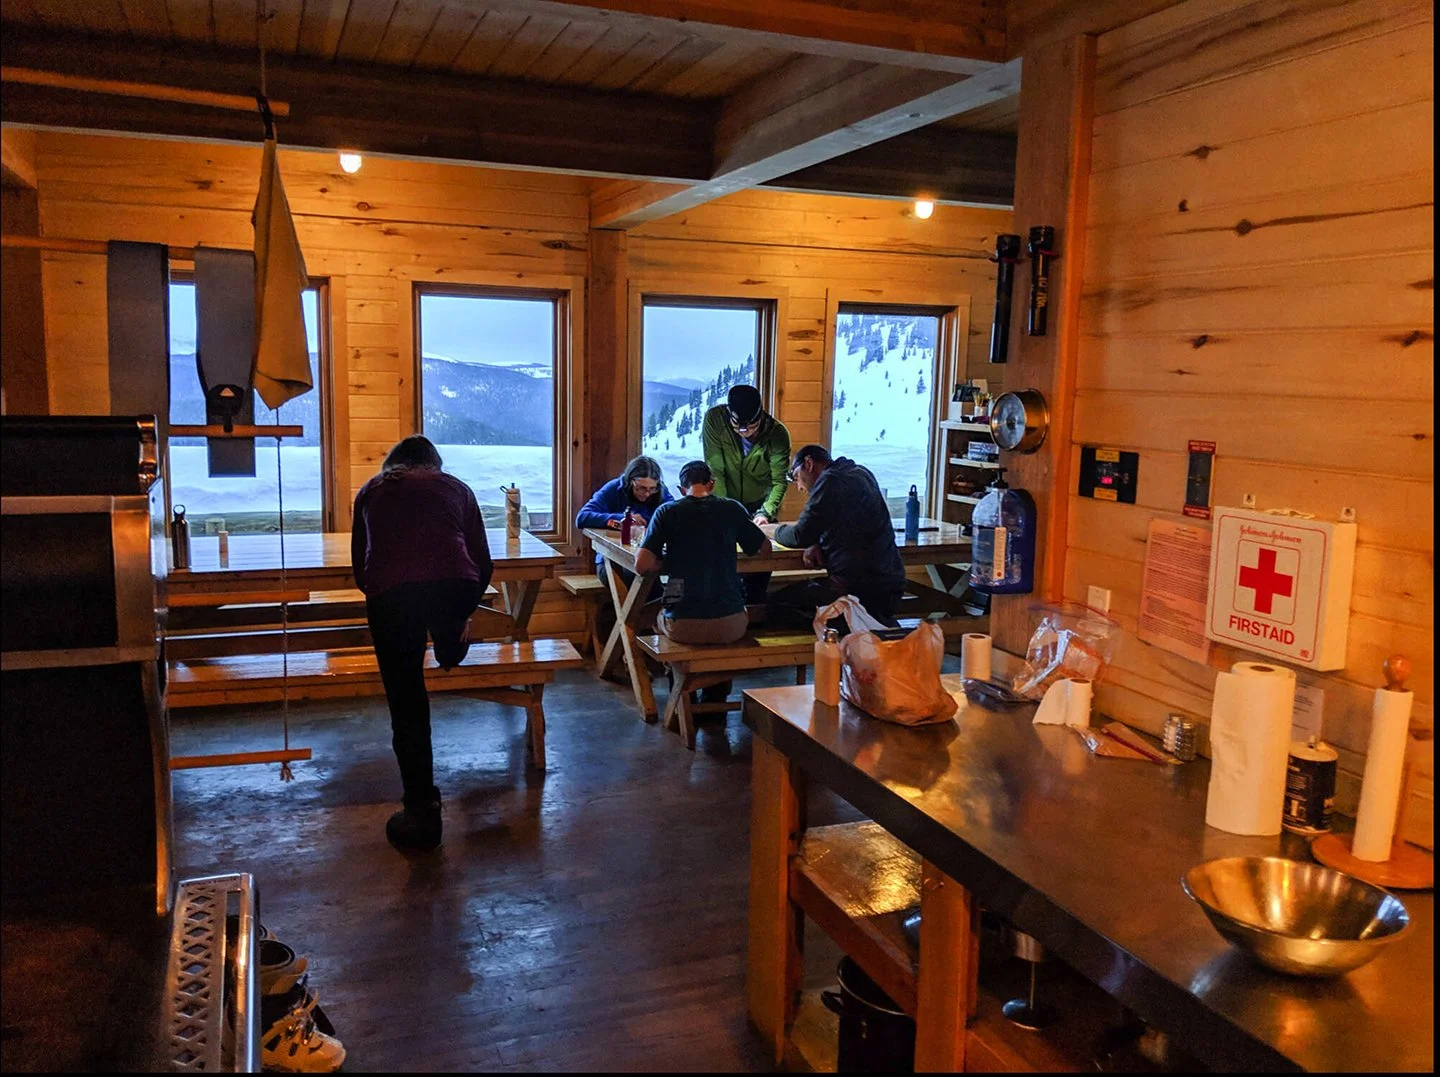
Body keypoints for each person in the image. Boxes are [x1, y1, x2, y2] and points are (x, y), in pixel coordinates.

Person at [351, 435, 493, 852]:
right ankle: (449, 644)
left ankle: (422, 814)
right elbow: (482, 561)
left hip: (392, 596)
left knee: (407, 702)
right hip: (455, 585)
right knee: (448, 626)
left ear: (393, 464)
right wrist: (464, 611)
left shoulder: (372, 490)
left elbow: (362, 570)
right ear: (435, 464)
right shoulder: (457, 488)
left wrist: (387, 591)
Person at [635, 460, 770, 646]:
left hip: (682, 625)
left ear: (681, 489)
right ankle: (715, 674)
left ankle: (675, 671)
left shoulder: (667, 512)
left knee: (655, 616)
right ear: (712, 484)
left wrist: (671, 562)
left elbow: (642, 565)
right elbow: (765, 549)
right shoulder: (732, 509)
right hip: (733, 625)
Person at [771, 444, 907, 628]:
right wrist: (818, 541)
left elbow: (799, 535)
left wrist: (773, 530)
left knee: (775, 605)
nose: (800, 487)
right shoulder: (860, 473)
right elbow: (846, 525)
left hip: (856, 593)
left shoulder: (830, 482)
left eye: (796, 477)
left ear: (809, 464)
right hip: (890, 586)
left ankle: (825, 649)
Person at [701, 384, 791, 603]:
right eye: (738, 426)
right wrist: (726, 510)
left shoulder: (777, 434)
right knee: (723, 567)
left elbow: (779, 481)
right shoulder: (715, 420)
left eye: (750, 426)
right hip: (724, 504)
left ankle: (755, 614)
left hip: (758, 507)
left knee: (759, 570)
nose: (744, 431)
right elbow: (716, 471)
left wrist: (766, 512)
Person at [575, 455, 673, 576]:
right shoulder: (613, 489)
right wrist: (623, 520)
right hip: (610, 560)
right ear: (629, 481)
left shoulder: (661, 492)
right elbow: (582, 517)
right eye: (641, 488)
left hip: (647, 558)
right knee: (634, 578)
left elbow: (672, 517)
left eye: (652, 489)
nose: (647, 494)